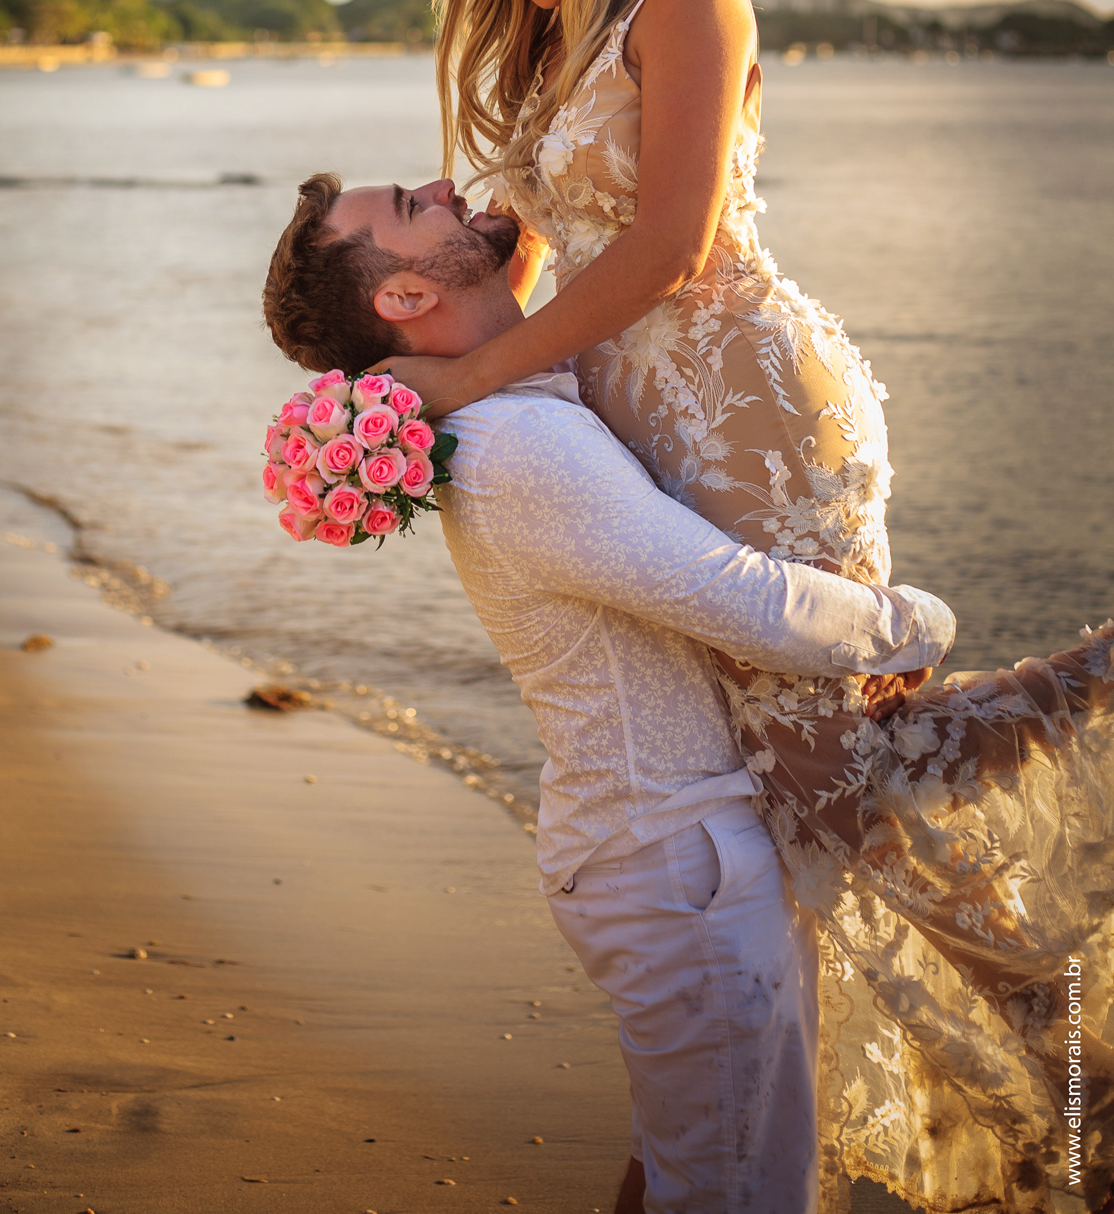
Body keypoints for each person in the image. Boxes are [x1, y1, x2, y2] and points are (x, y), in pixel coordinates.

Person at [371, 0, 1113, 1214]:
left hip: (754, 409)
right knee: (787, 795)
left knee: (839, 774)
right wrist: (408, 397)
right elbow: (521, 260)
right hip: (630, 429)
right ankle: (723, 1142)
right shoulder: (541, 39)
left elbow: (669, 244)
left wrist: (467, 396)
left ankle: (1056, 1050)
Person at [262, 170, 959, 1214]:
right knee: (740, 1192)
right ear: (404, 300)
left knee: (689, 1172)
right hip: (677, 859)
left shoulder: (510, 406)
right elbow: (735, 599)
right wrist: (919, 623)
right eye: (411, 207)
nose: (442, 185)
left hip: (659, 848)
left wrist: (527, 224)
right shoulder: (516, 450)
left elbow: (545, 283)